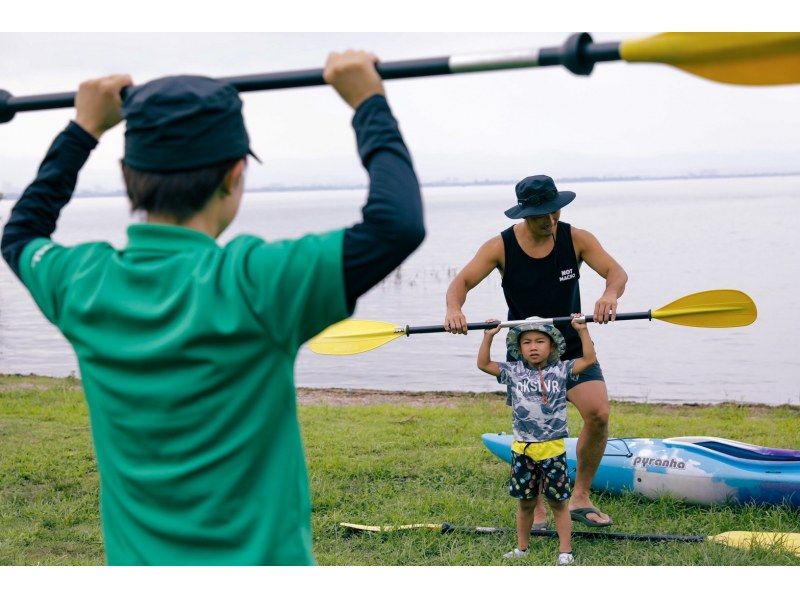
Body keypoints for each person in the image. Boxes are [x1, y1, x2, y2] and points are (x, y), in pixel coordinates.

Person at [0, 51, 425, 565]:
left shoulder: (82, 283)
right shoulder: (256, 283)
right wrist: (367, 101)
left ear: (126, 174)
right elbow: (395, 225)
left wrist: (83, 129)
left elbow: (22, 232)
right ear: (234, 175)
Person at [446, 174, 627, 528]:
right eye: (542, 215)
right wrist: (455, 309)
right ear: (524, 214)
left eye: (554, 212)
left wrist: (609, 295)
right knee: (537, 430)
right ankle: (539, 505)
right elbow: (461, 283)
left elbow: (616, 272)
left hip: (572, 345)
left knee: (598, 414)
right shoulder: (499, 247)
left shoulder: (577, 238)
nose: (550, 221)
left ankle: (580, 497)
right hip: (527, 350)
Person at [478, 315, 597, 565]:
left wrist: (582, 330)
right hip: (522, 450)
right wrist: (488, 336)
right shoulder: (514, 371)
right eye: (527, 342)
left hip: (552, 450)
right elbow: (484, 363)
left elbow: (589, 360)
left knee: (558, 503)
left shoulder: (561, 369)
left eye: (540, 341)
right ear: (519, 348)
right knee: (525, 503)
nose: (533, 346)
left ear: (551, 346)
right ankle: (522, 548)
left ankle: (565, 551)